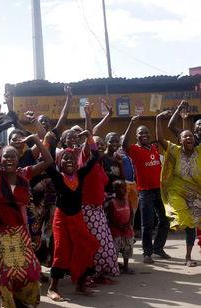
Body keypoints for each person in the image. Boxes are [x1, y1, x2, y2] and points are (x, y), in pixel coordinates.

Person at [0, 130, 52, 308]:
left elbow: (49, 161)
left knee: (30, 271)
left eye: (13, 156)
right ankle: (9, 303)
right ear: (2, 159)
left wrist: (35, 139)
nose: (9, 159)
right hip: (2, 231)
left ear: (18, 158)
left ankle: (23, 300)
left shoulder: (25, 173)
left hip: (21, 231)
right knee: (8, 273)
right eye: (6, 156)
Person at [46, 131, 100, 301]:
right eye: (65, 159)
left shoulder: (81, 174)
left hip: (77, 218)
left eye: (71, 159)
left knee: (85, 247)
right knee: (61, 250)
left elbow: (95, 155)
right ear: (59, 163)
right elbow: (46, 160)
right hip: (61, 219)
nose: (69, 161)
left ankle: (80, 284)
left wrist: (89, 137)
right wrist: (47, 141)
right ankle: (52, 288)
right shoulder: (57, 176)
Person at [81, 100, 120, 283]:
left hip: (99, 209)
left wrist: (108, 115)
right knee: (98, 245)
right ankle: (91, 276)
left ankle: (100, 274)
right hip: (88, 210)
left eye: (101, 144)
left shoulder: (100, 165)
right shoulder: (87, 161)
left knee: (107, 245)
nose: (100, 145)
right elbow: (90, 136)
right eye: (96, 144)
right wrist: (88, 117)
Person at [122, 116, 170, 264]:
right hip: (145, 192)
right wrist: (131, 123)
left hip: (159, 191)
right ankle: (147, 253)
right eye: (140, 133)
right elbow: (124, 144)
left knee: (165, 220)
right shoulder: (134, 149)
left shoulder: (154, 148)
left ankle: (158, 248)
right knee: (147, 224)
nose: (144, 135)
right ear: (136, 136)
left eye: (146, 133)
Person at [157, 110, 201, 267]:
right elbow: (160, 138)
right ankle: (188, 256)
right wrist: (157, 119)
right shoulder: (174, 151)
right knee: (187, 222)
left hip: (197, 194)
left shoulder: (200, 151)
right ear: (180, 140)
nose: (188, 138)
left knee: (192, 227)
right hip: (177, 192)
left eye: (191, 136)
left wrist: (185, 121)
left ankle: (188, 256)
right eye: (185, 136)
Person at [105, 180, 135, 274]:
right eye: (121, 188)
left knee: (127, 248)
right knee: (115, 249)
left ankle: (126, 266)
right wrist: (118, 226)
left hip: (127, 229)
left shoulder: (127, 200)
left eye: (124, 188)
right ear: (115, 190)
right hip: (116, 230)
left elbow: (131, 213)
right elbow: (110, 217)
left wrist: (128, 224)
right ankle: (114, 266)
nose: (124, 190)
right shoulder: (111, 203)